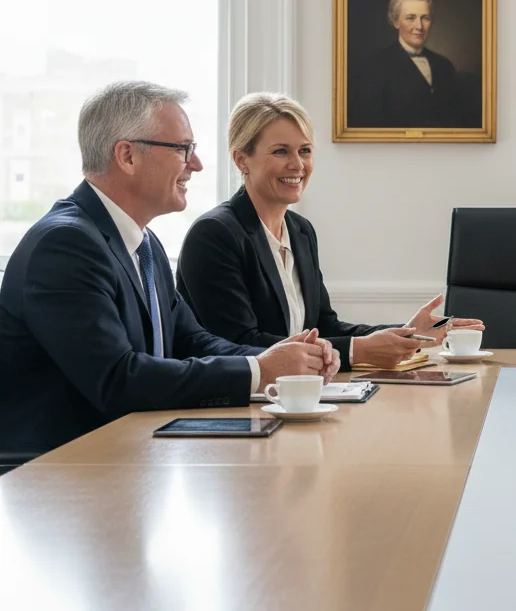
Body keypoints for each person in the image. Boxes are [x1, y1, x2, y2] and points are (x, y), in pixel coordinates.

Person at [0, 82, 336, 464]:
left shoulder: (144, 244)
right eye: (183, 149)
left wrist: (283, 358)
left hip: (129, 456)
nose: (196, 164)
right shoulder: (65, 245)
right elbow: (118, 379)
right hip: (55, 474)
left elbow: (193, 342)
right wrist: (259, 370)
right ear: (127, 156)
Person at [177, 92, 484, 369]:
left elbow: (324, 326)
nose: (297, 164)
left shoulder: (300, 231)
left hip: (298, 394)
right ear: (242, 159)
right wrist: (357, 351)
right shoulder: (215, 234)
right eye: (281, 151)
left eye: (305, 151)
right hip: (237, 407)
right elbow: (240, 345)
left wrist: (409, 333)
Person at [349, 0, 478, 129]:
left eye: (425, 18)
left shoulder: (443, 64)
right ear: (396, 22)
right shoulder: (374, 68)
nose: (419, 26)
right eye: (411, 18)